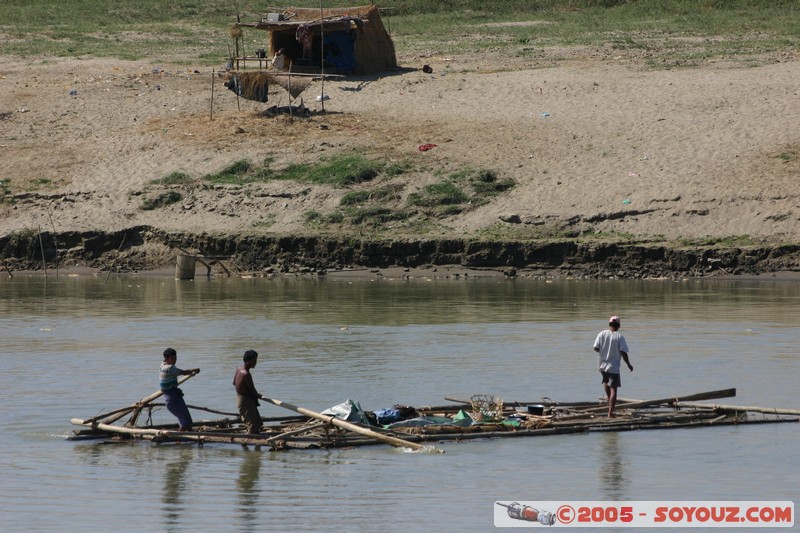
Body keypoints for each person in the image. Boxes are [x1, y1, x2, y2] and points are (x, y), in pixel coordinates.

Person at [593, 316, 633, 418]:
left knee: (606, 382)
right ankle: (611, 412)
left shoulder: (601, 334)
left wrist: (604, 353)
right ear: (619, 326)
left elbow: (595, 348)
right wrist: (629, 364)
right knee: (613, 389)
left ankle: (609, 401)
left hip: (602, 364)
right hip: (613, 366)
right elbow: (624, 353)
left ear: (609, 325)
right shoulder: (619, 337)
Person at [159, 347, 200, 431]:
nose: (174, 360)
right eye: (172, 358)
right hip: (172, 398)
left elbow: (179, 372)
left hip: (172, 396)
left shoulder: (162, 365)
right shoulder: (170, 368)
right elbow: (183, 372)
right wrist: (194, 370)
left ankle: (188, 439)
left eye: (175, 358)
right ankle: (179, 440)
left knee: (187, 421)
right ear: (166, 358)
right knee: (186, 422)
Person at [233, 349, 265, 434]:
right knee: (252, 425)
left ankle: (256, 443)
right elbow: (253, 392)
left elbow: (234, 383)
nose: (255, 363)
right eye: (254, 360)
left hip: (243, 399)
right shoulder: (246, 374)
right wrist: (260, 396)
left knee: (256, 424)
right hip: (245, 401)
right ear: (248, 361)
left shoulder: (239, 369)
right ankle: (247, 441)